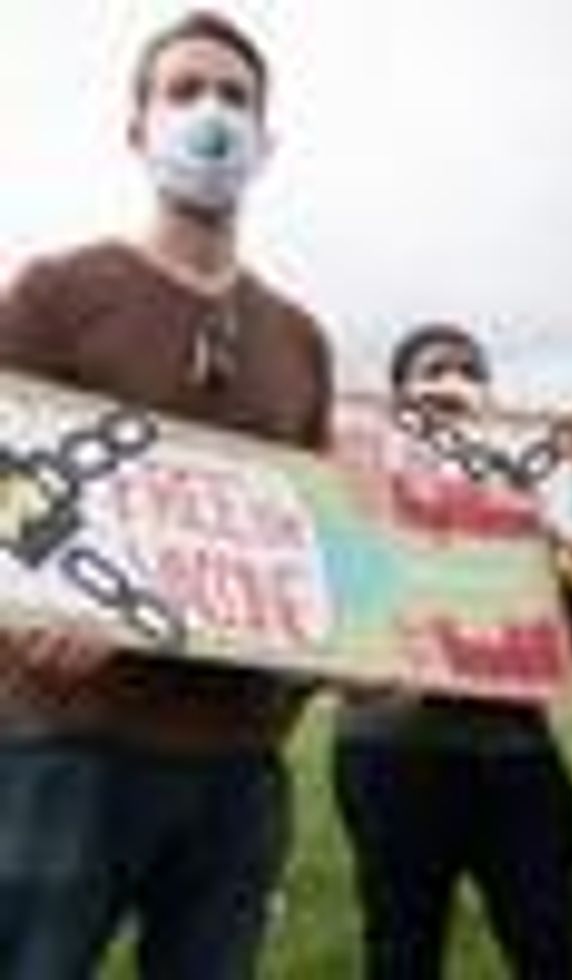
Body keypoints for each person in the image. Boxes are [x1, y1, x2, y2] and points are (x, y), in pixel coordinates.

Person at [0, 10, 331, 979]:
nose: (211, 113)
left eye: (235, 96)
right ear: (137, 127)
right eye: (183, 91)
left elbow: (314, 534)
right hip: (71, 744)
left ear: (266, 142)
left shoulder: (299, 339)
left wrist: (353, 643)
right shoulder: (54, 295)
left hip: (238, 764)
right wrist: (32, 605)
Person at [332, 322, 572, 980]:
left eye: (471, 371)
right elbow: (340, 610)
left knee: (555, 939)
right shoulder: (357, 483)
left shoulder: (536, 496)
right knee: (402, 944)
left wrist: (562, 570)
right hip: (392, 749)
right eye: (435, 370)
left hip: (515, 749)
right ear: (399, 395)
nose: (454, 382)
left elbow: (571, 642)